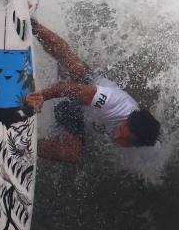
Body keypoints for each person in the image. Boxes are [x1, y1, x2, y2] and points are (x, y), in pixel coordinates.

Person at [25, 19, 161, 163]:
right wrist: (41, 96)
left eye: (125, 140)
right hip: (87, 86)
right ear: (126, 119)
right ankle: (32, 25)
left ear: (138, 145)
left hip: (76, 112)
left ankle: (23, 145)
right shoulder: (114, 103)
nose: (116, 137)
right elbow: (68, 88)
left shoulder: (149, 149)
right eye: (121, 130)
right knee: (77, 70)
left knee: (72, 154)